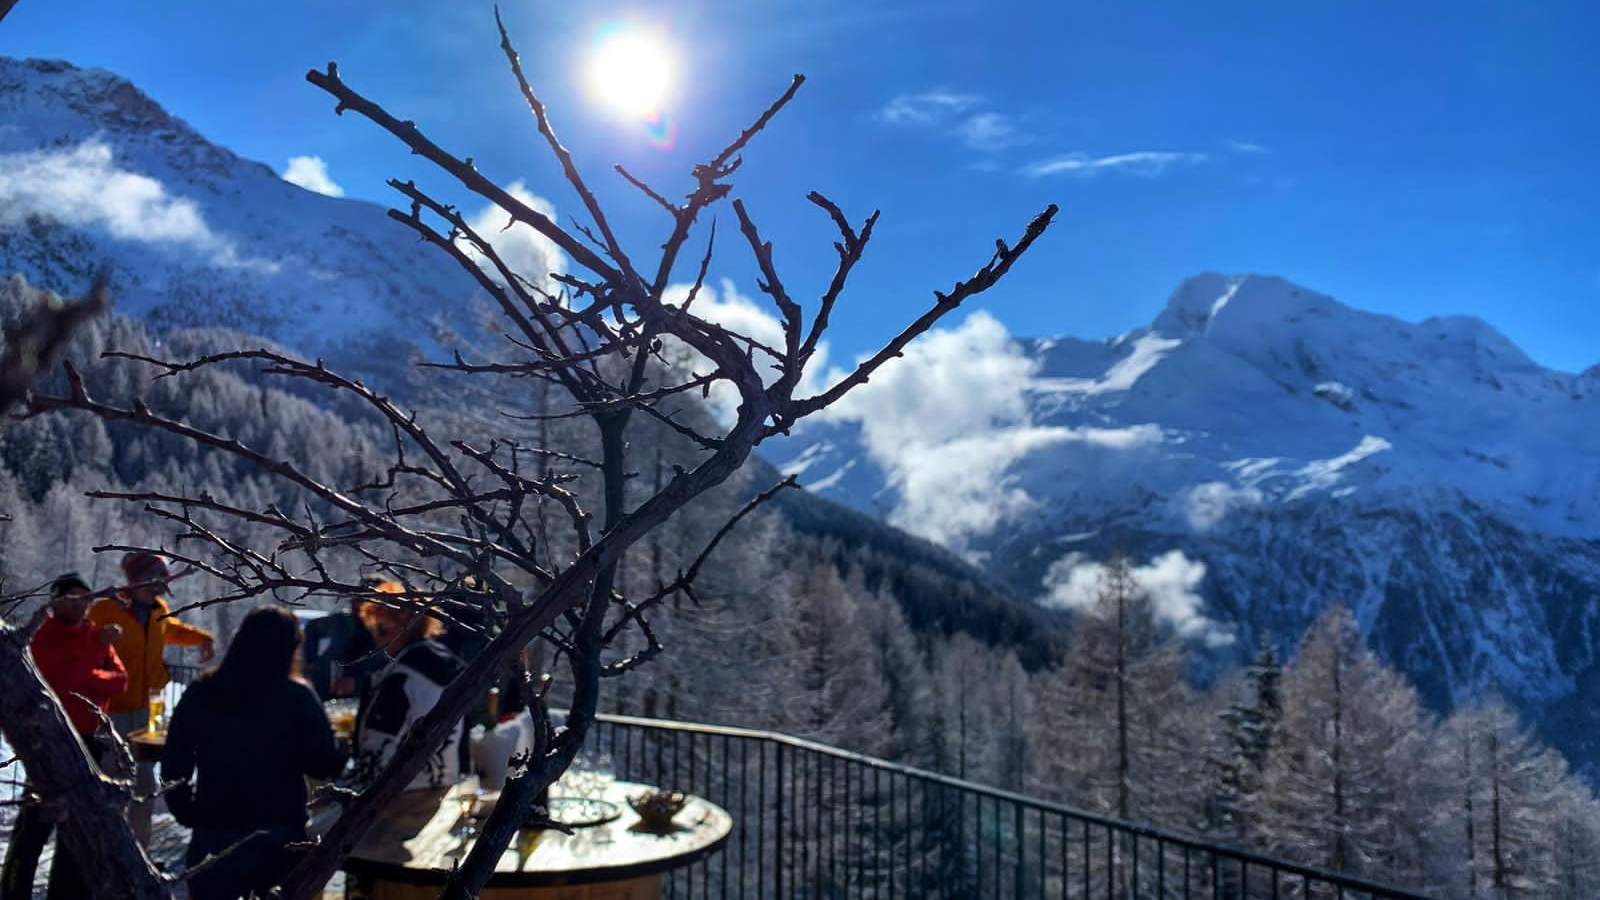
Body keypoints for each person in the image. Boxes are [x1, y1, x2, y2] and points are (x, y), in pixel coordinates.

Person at [161, 606, 345, 900]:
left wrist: (185, 810)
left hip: (215, 827)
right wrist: (343, 749)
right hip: (279, 831)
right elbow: (321, 764)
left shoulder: (204, 691)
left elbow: (175, 757)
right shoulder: (296, 697)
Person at [1, 574, 127, 900]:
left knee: (81, 826)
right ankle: (14, 890)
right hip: (50, 741)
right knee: (34, 827)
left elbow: (118, 679)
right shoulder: (44, 635)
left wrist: (87, 673)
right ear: (56, 601)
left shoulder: (91, 633)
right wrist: (91, 660)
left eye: (85, 598)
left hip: (90, 740)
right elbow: (59, 682)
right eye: (72, 597)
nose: (81, 604)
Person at [87, 551, 216, 844]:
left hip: (152, 706)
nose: (162, 584)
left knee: (145, 782)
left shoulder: (159, 610)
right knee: (114, 782)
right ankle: (108, 847)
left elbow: (172, 630)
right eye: (156, 577)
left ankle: (139, 851)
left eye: (164, 577)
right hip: (114, 710)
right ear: (136, 579)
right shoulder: (106, 609)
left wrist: (203, 638)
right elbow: (84, 642)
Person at [346, 580, 465, 791]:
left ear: (406, 624)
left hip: (400, 792)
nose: (376, 638)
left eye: (381, 628)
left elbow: (377, 752)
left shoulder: (403, 677)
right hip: (440, 782)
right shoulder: (443, 663)